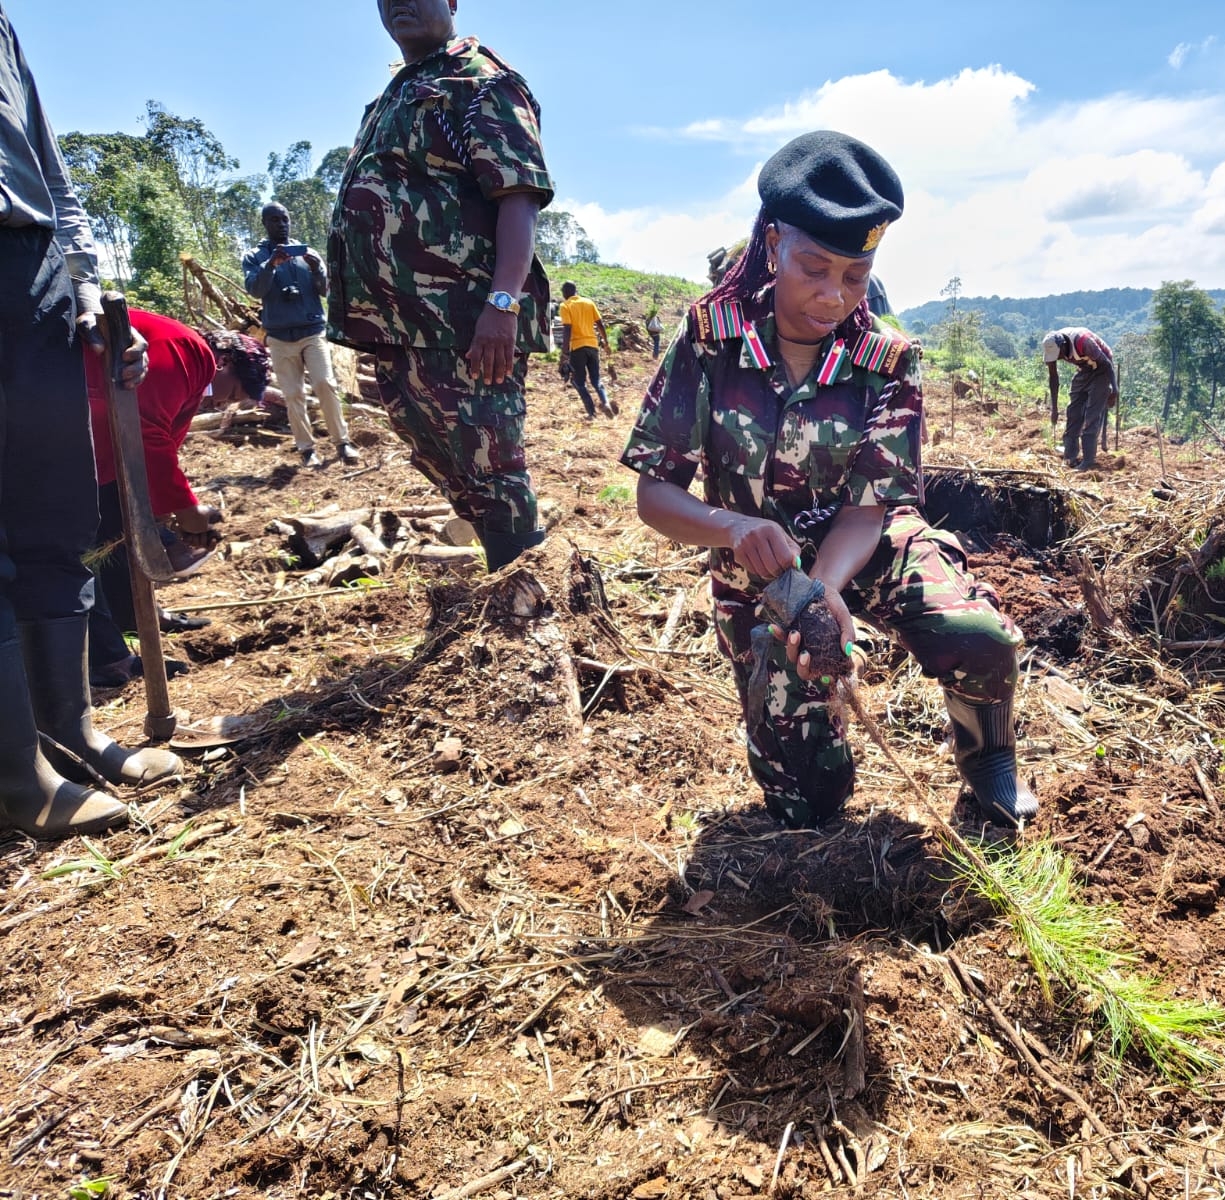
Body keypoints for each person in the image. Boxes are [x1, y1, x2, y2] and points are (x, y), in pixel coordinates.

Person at [623, 131, 1035, 829]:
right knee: (807, 803)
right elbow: (653, 493)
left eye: (855, 274)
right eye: (814, 268)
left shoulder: (887, 360)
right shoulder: (708, 341)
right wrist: (733, 528)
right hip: (762, 573)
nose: (833, 296)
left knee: (977, 635)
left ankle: (989, 759)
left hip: (864, 545)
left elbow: (870, 509)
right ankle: (808, 769)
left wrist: (829, 591)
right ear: (773, 242)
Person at [0, 3, 182, 838]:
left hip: (27, 263)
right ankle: (18, 776)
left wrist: (84, 282)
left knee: (57, 511)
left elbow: (45, 159)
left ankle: (68, 731)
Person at [328, 0, 554, 571]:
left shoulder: (479, 81)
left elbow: (519, 196)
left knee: (492, 462)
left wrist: (502, 303)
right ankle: (503, 577)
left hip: (462, 323)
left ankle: (532, 605)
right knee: (431, 445)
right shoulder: (396, 93)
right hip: (400, 325)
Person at [85, 313, 242, 687]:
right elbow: (145, 429)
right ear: (227, 364)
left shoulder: (191, 367)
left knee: (112, 534)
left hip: (96, 446)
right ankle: (109, 662)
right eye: (233, 394)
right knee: (80, 554)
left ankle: (136, 617)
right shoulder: (188, 352)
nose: (224, 405)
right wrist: (188, 511)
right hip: (66, 441)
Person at [242, 203, 359, 468]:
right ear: (265, 223)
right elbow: (256, 290)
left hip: (312, 331)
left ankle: (342, 443)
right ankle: (307, 450)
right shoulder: (254, 257)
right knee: (293, 393)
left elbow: (324, 290)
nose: (281, 224)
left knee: (325, 384)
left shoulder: (307, 253)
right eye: (274, 220)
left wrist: (317, 269)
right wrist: (271, 264)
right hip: (280, 336)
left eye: (285, 219)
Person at [1042, 327, 1117, 469]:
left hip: (1102, 369)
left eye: (1058, 355)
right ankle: (1070, 457)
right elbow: (1053, 378)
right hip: (1084, 368)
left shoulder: (1084, 342)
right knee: (1073, 413)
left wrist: (1114, 389)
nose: (1057, 358)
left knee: (1091, 417)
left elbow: (1107, 364)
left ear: (1063, 346)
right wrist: (1054, 409)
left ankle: (1088, 461)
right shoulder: (1052, 346)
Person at [558, 280, 616, 417]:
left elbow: (567, 328)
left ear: (565, 293)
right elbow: (600, 324)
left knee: (578, 382)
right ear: (575, 291)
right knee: (596, 380)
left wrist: (565, 352)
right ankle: (606, 403)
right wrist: (606, 342)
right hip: (592, 345)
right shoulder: (589, 302)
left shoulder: (565, 305)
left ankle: (592, 413)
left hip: (577, 347)